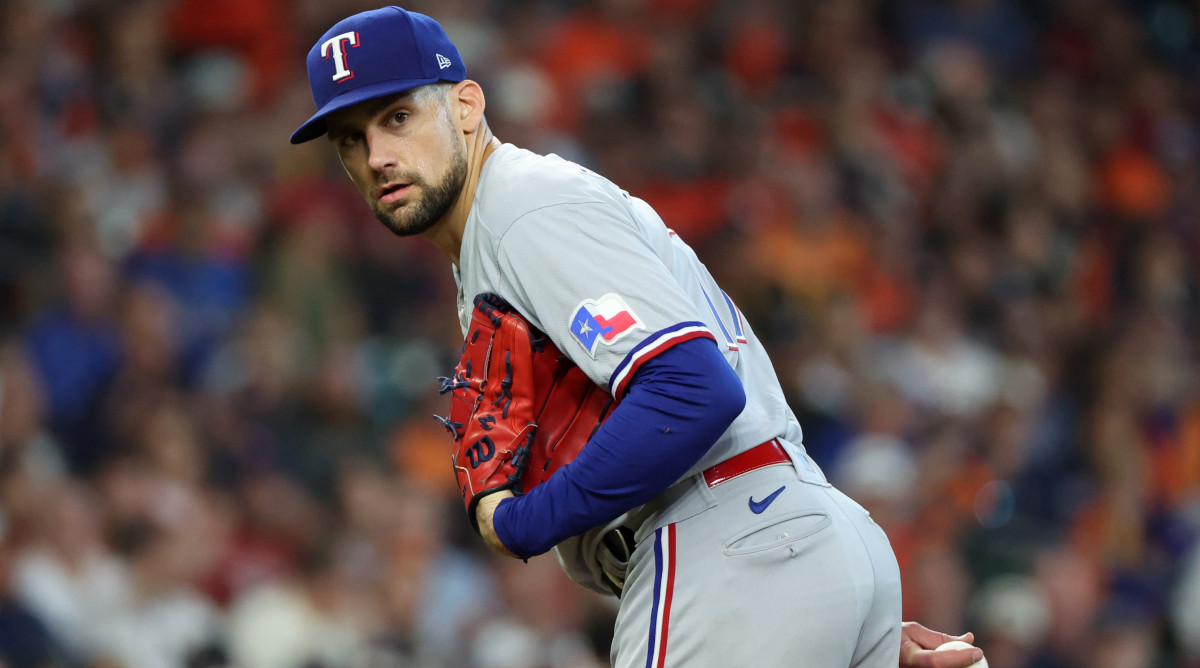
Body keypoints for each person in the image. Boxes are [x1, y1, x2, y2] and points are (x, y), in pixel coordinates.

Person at [290, 7, 987, 667]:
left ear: (466, 107)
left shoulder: (518, 209)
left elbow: (692, 389)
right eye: (352, 139)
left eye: (398, 116)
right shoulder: (497, 236)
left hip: (730, 538)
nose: (377, 154)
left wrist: (525, 522)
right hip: (783, 539)